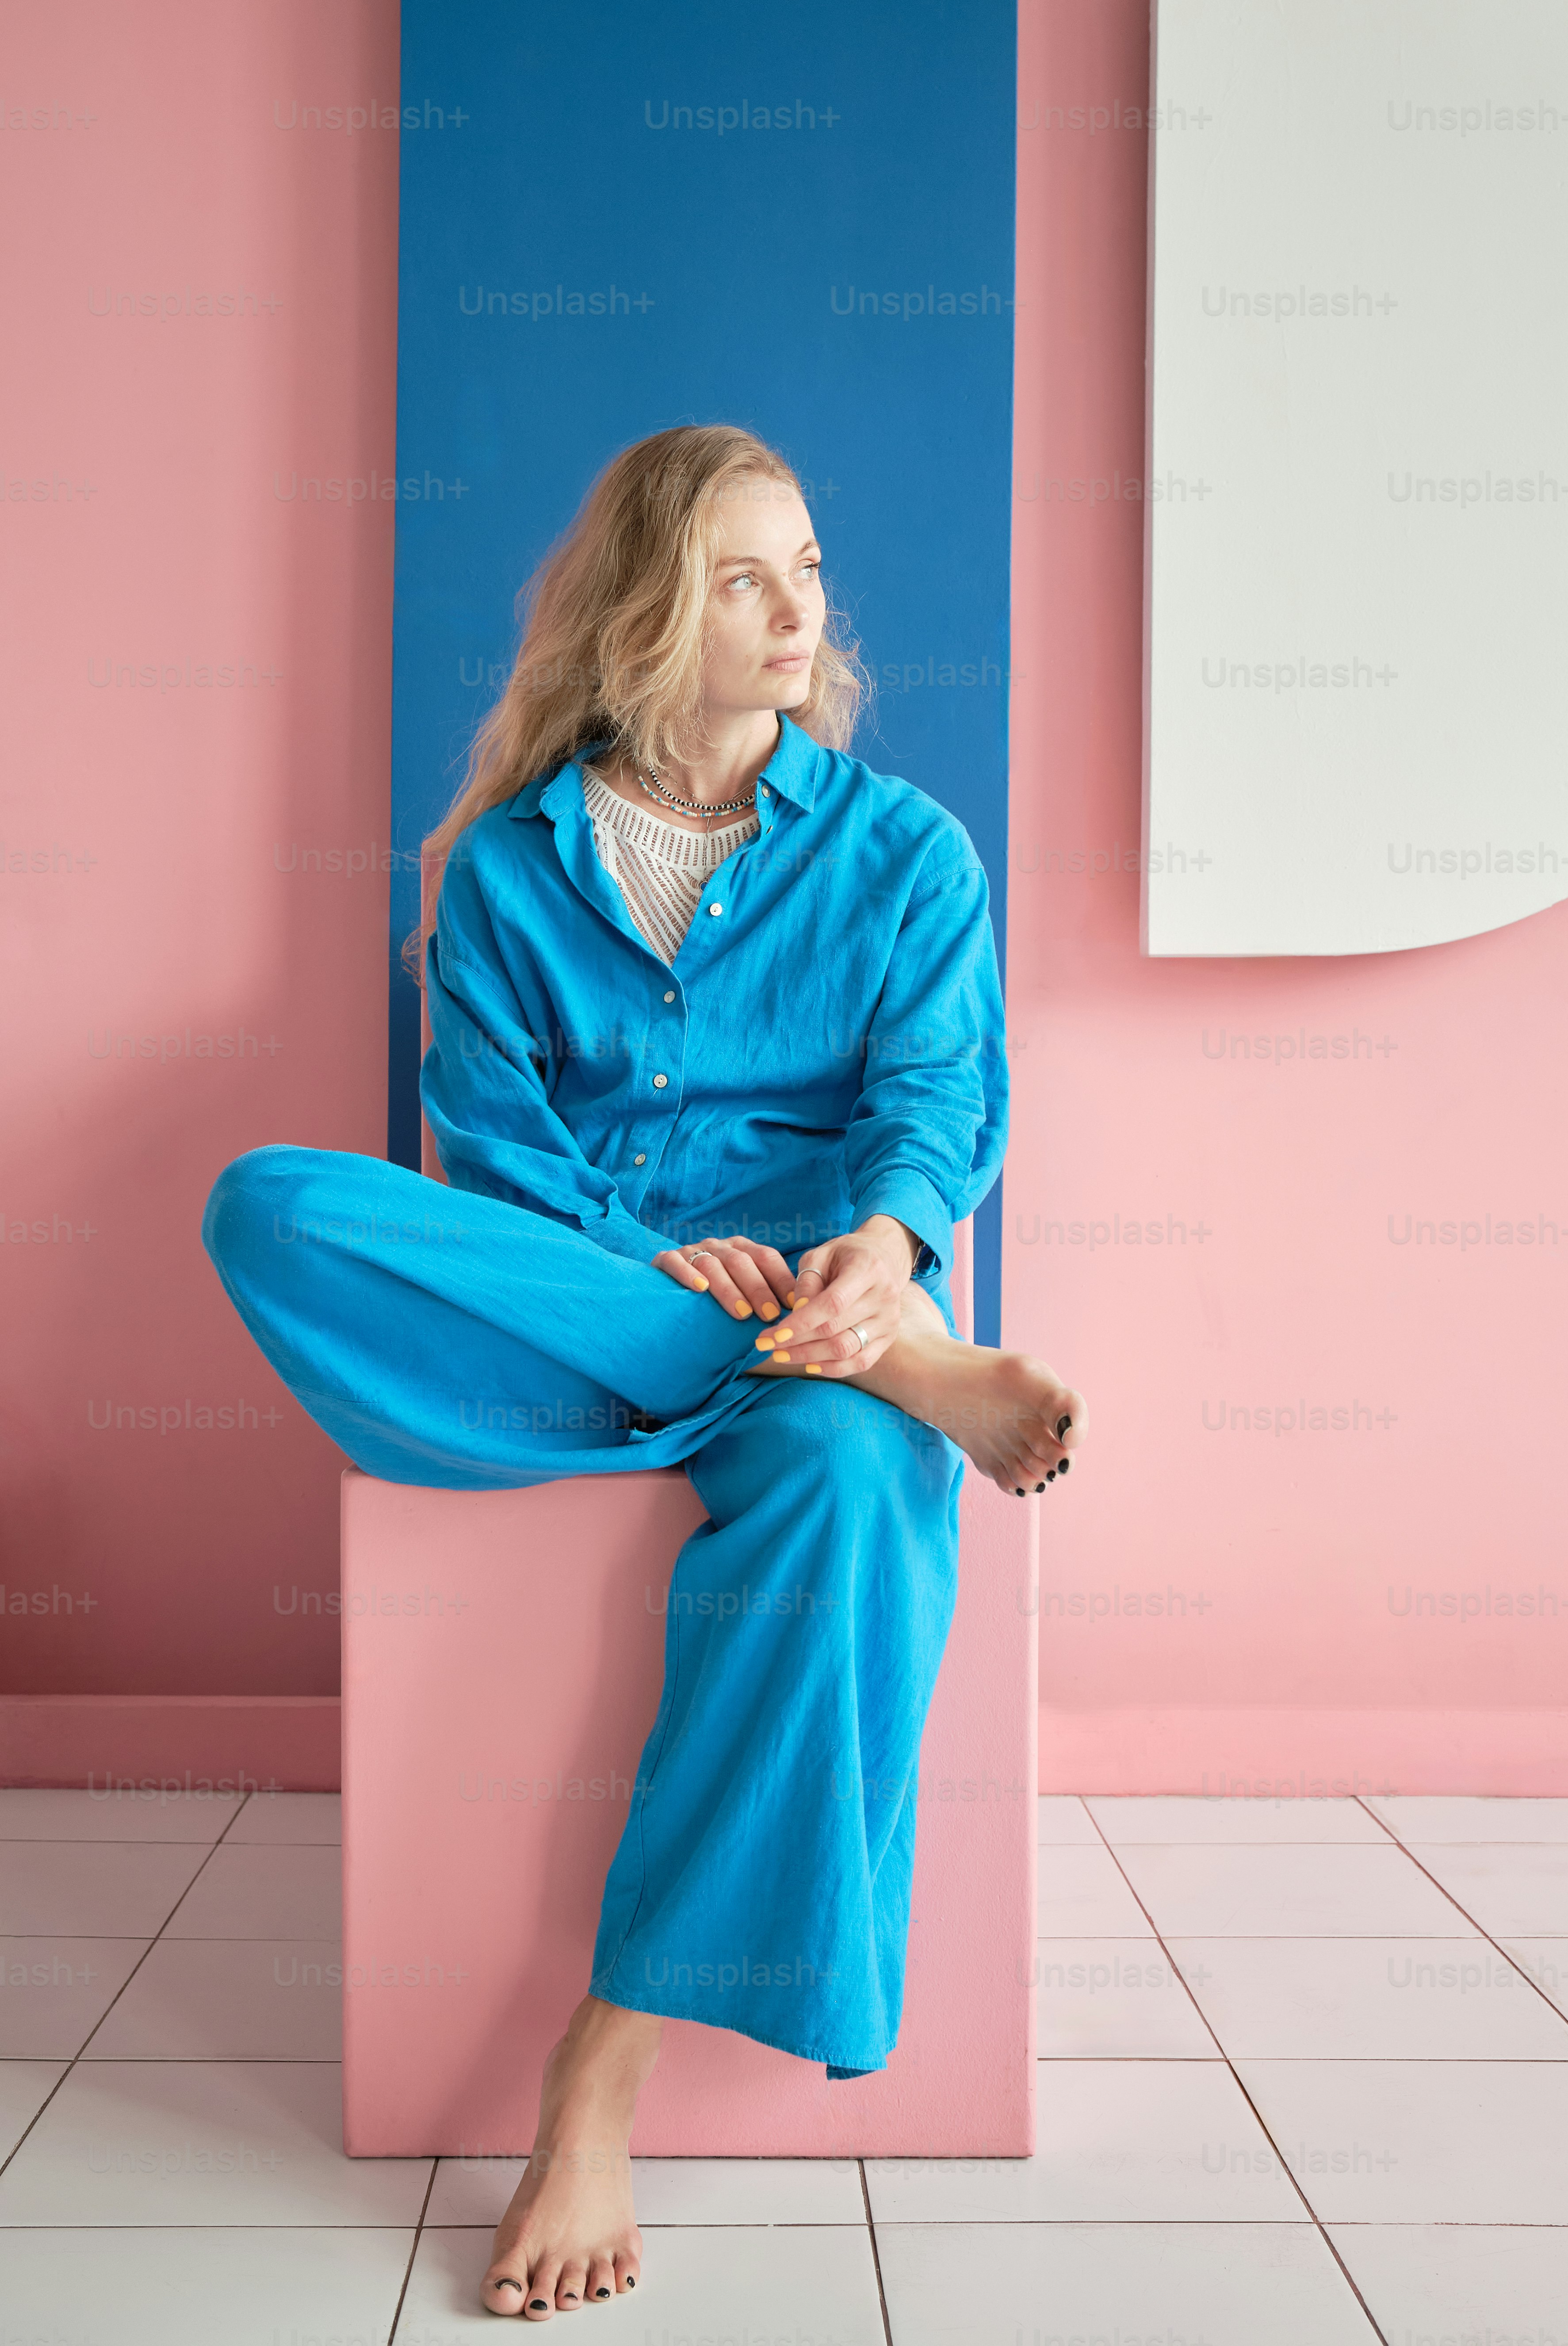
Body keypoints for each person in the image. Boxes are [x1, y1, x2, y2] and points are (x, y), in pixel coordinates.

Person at [202, 423, 1086, 2320]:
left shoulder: (905, 853)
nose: (799, 612)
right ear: (650, 605)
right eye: (749, 576)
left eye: (809, 570)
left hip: (821, 1347)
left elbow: (936, 1105)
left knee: (852, 1482)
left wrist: (879, 1254)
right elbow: (486, 1152)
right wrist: (628, 1261)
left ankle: (598, 2062)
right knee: (269, 1201)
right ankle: (896, 1369)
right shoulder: (503, 871)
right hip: (558, 1339)